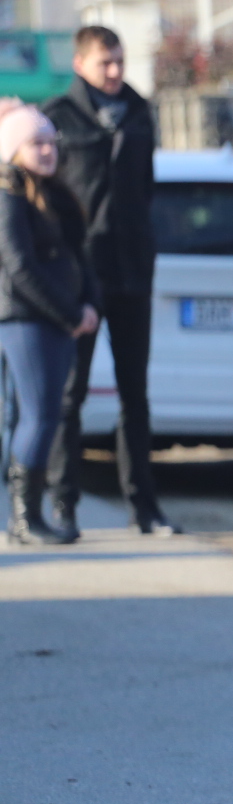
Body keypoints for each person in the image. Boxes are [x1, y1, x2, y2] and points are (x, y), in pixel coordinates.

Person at [42, 25, 168, 536]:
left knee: (134, 394)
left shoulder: (138, 111)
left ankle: (145, 507)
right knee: (69, 395)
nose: (115, 72)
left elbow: (146, 189)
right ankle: (63, 504)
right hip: (80, 274)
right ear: (80, 65)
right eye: (104, 63)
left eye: (119, 61)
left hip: (132, 270)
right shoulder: (58, 116)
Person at [0, 101, 97, 546]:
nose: (47, 151)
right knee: (38, 417)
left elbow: (79, 255)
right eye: (35, 143)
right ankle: (26, 519)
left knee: (43, 415)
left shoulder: (53, 194)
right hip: (27, 320)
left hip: (56, 321)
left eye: (50, 142)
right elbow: (19, 267)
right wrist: (70, 313)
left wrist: (88, 304)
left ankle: (26, 518)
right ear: (14, 149)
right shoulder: (9, 195)